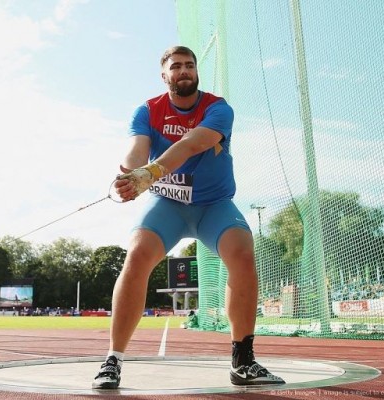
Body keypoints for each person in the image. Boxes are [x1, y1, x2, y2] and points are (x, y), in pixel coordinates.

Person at [92, 45, 285, 389]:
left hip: (214, 204)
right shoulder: (147, 110)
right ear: (164, 75)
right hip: (167, 204)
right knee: (136, 256)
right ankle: (112, 360)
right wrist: (130, 173)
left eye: (190, 66)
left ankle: (243, 362)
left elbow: (194, 143)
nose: (184, 71)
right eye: (177, 66)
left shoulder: (218, 108)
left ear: (196, 72)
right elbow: (136, 148)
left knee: (242, 252)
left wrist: (149, 172)